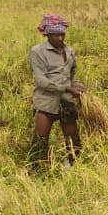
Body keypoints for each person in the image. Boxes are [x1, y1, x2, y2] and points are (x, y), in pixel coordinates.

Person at [28, 13, 85, 168]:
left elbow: (71, 76)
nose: (60, 38)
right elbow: (41, 81)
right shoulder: (37, 52)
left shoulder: (70, 51)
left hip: (66, 100)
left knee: (73, 141)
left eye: (62, 34)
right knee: (40, 141)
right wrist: (66, 88)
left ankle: (70, 168)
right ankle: (37, 170)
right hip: (46, 101)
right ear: (47, 34)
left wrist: (77, 86)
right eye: (55, 35)